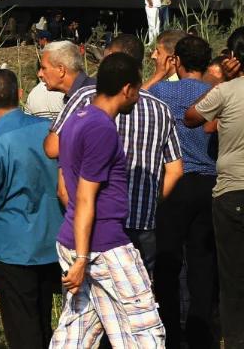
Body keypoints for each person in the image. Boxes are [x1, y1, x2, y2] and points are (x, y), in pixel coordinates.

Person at [50, 52, 165, 347]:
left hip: (75, 236)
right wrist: (82, 258)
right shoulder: (102, 128)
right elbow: (87, 197)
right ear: (127, 88)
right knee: (145, 329)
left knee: (79, 327)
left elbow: (66, 187)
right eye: (138, 90)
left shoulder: (78, 117)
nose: (138, 97)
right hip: (104, 244)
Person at [45, 34, 182, 274]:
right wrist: (150, 201)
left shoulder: (86, 102)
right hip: (140, 221)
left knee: (91, 300)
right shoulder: (161, 109)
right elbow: (175, 169)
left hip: (94, 224)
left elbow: (53, 147)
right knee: (138, 298)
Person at [0, 70, 63, 349]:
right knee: (44, 317)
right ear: (20, 94)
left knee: (22, 325)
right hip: (51, 238)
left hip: (13, 247)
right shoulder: (49, 129)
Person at [148, 36, 218, 347]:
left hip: (174, 181)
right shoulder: (216, 93)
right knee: (202, 261)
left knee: (168, 259)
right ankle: (201, 331)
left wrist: (160, 72)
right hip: (208, 181)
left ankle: (171, 332)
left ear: (177, 60)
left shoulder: (163, 91)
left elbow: (136, 98)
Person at [184, 26, 244, 348]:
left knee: (233, 280)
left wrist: (218, 81)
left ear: (233, 58)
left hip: (232, 194)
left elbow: (192, 117)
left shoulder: (226, 91)